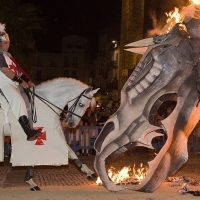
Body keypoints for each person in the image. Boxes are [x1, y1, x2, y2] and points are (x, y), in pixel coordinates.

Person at [0, 22, 42, 141]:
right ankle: (27, 131)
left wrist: (28, 81)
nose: (8, 45)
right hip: (3, 83)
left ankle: (30, 125)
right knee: (17, 99)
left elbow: (18, 71)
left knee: (27, 97)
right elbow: (5, 70)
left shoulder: (8, 56)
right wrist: (20, 81)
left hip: (12, 83)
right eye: (5, 43)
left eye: (8, 43)